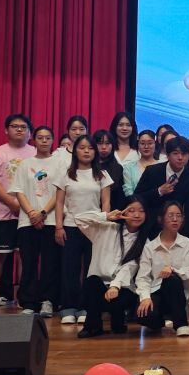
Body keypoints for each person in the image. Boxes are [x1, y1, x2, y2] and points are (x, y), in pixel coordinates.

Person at [0, 114, 36, 313]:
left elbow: (42, 180)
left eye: (23, 127)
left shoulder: (36, 153)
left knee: (26, 257)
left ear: (29, 132)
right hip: (1, 214)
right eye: (14, 126)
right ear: (6, 130)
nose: (19, 129)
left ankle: (24, 297)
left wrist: (26, 206)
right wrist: (11, 202)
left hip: (29, 214)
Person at [54, 134, 113, 324]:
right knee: (69, 269)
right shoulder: (66, 174)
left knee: (91, 269)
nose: (86, 151)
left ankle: (86, 307)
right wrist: (58, 226)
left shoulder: (102, 175)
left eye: (90, 148)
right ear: (75, 151)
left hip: (94, 228)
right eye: (82, 148)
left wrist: (104, 225)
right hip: (71, 226)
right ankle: (68, 307)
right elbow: (59, 202)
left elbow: (106, 203)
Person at [73, 198, 148, 338]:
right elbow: (78, 218)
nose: (137, 215)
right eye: (131, 210)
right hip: (98, 286)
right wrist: (106, 216)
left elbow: (130, 267)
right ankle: (92, 326)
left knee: (124, 297)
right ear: (123, 211)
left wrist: (115, 286)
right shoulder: (106, 228)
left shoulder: (144, 241)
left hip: (123, 288)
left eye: (141, 211)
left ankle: (118, 319)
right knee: (92, 281)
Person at [9, 125, 61, 316]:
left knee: (50, 263)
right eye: (40, 138)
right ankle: (29, 302)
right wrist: (32, 213)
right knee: (29, 263)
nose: (44, 141)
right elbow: (19, 191)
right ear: (34, 140)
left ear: (53, 140)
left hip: (51, 220)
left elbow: (60, 192)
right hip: (27, 221)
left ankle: (47, 300)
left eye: (48, 138)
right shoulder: (25, 164)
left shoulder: (60, 164)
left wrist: (43, 213)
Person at [135, 201, 189, 336]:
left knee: (171, 279)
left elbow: (188, 271)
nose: (175, 219)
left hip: (179, 294)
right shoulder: (150, 247)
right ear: (160, 219)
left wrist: (172, 269)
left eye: (178, 216)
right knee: (142, 314)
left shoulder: (188, 244)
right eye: (170, 215)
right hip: (156, 292)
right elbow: (143, 277)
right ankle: (159, 322)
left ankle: (181, 324)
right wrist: (145, 298)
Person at [133, 136, 189, 238]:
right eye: (175, 153)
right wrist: (159, 191)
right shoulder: (152, 171)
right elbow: (137, 197)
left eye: (184, 154)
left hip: (177, 227)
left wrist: (184, 234)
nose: (180, 157)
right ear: (167, 155)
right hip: (151, 225)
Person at [93, 129, 126, 211]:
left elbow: (120, 197)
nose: (104, 147)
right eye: (99, 143)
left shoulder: (118, 168)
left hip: (111, 212)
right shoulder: (87, 166)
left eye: (107, 143)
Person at [122, 129, 159, 196]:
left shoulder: (162, 165)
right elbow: (128, 191)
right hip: (135, 201)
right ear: (138, 145)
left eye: (150, 143)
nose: (146, 147)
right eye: (142, 143)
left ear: (155, 144)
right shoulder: (129, 167)